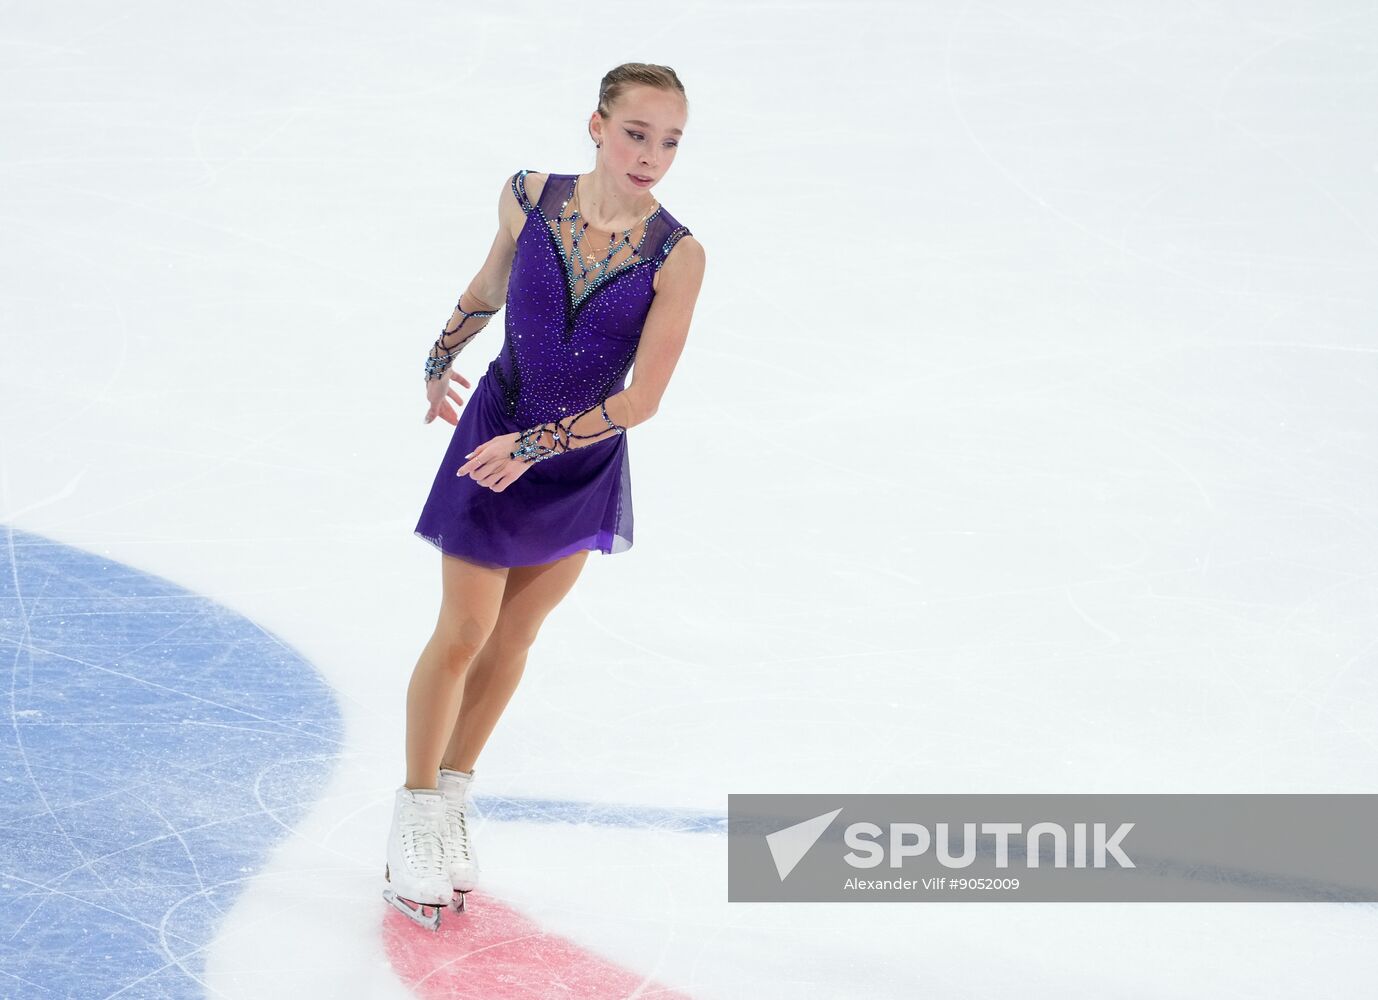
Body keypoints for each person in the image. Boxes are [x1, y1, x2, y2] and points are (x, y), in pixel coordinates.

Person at [382, 63, 706, 930]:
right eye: (637, 134)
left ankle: (452, 804)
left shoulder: (678, 255)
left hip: (576, 461)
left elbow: (642, 399)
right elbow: (491, 285)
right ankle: (413, 817)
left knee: (516, 635)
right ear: (596, 126)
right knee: (463, 631)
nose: (652, 156)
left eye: (670, 142)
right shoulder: (528, 197)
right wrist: (438, 354)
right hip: (495, 434)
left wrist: (537, 450)